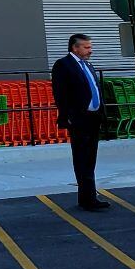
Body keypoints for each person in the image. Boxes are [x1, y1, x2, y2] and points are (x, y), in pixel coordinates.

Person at [51, 34, 108, 212]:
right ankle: (87, 198)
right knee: (82, 157)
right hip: (79, 119)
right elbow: (60, 93)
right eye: (86, 47)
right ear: (75, 48)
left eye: (90, 47)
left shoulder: (87, 65)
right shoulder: (64, 65)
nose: (90, 50)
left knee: (91, 157)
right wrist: (68, 115)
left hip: (93, 117)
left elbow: (95, 88)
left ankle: (90, 194)